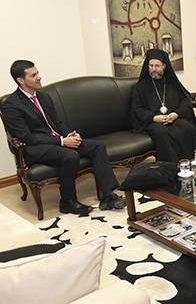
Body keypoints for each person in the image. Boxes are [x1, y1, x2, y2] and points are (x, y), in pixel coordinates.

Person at [2, 60, 126, 215]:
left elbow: (58, 123)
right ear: (21, 80)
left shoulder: (44, 97)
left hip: (57, 141)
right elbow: (26, 137)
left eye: (37, 72)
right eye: (34, 75)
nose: (39, 77)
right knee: (70, 155)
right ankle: (67, 202)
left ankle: (108, 195)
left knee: (97, 146)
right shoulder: (11, 105)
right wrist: (62, 141)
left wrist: (69, 134)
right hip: (35, 148)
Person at [131, 49, 196, 163]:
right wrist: (154, 117)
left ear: (164, 66)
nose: (153, 69)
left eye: (157, 66)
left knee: (190, 129)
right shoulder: (140, 86)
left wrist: (176, 114)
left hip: (172, 118)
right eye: (151, 65)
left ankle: (194, 162)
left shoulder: (172, 83)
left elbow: (185, 99)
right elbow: (137, 109)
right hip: (152, 122)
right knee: (163, 133)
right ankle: (171, 168)